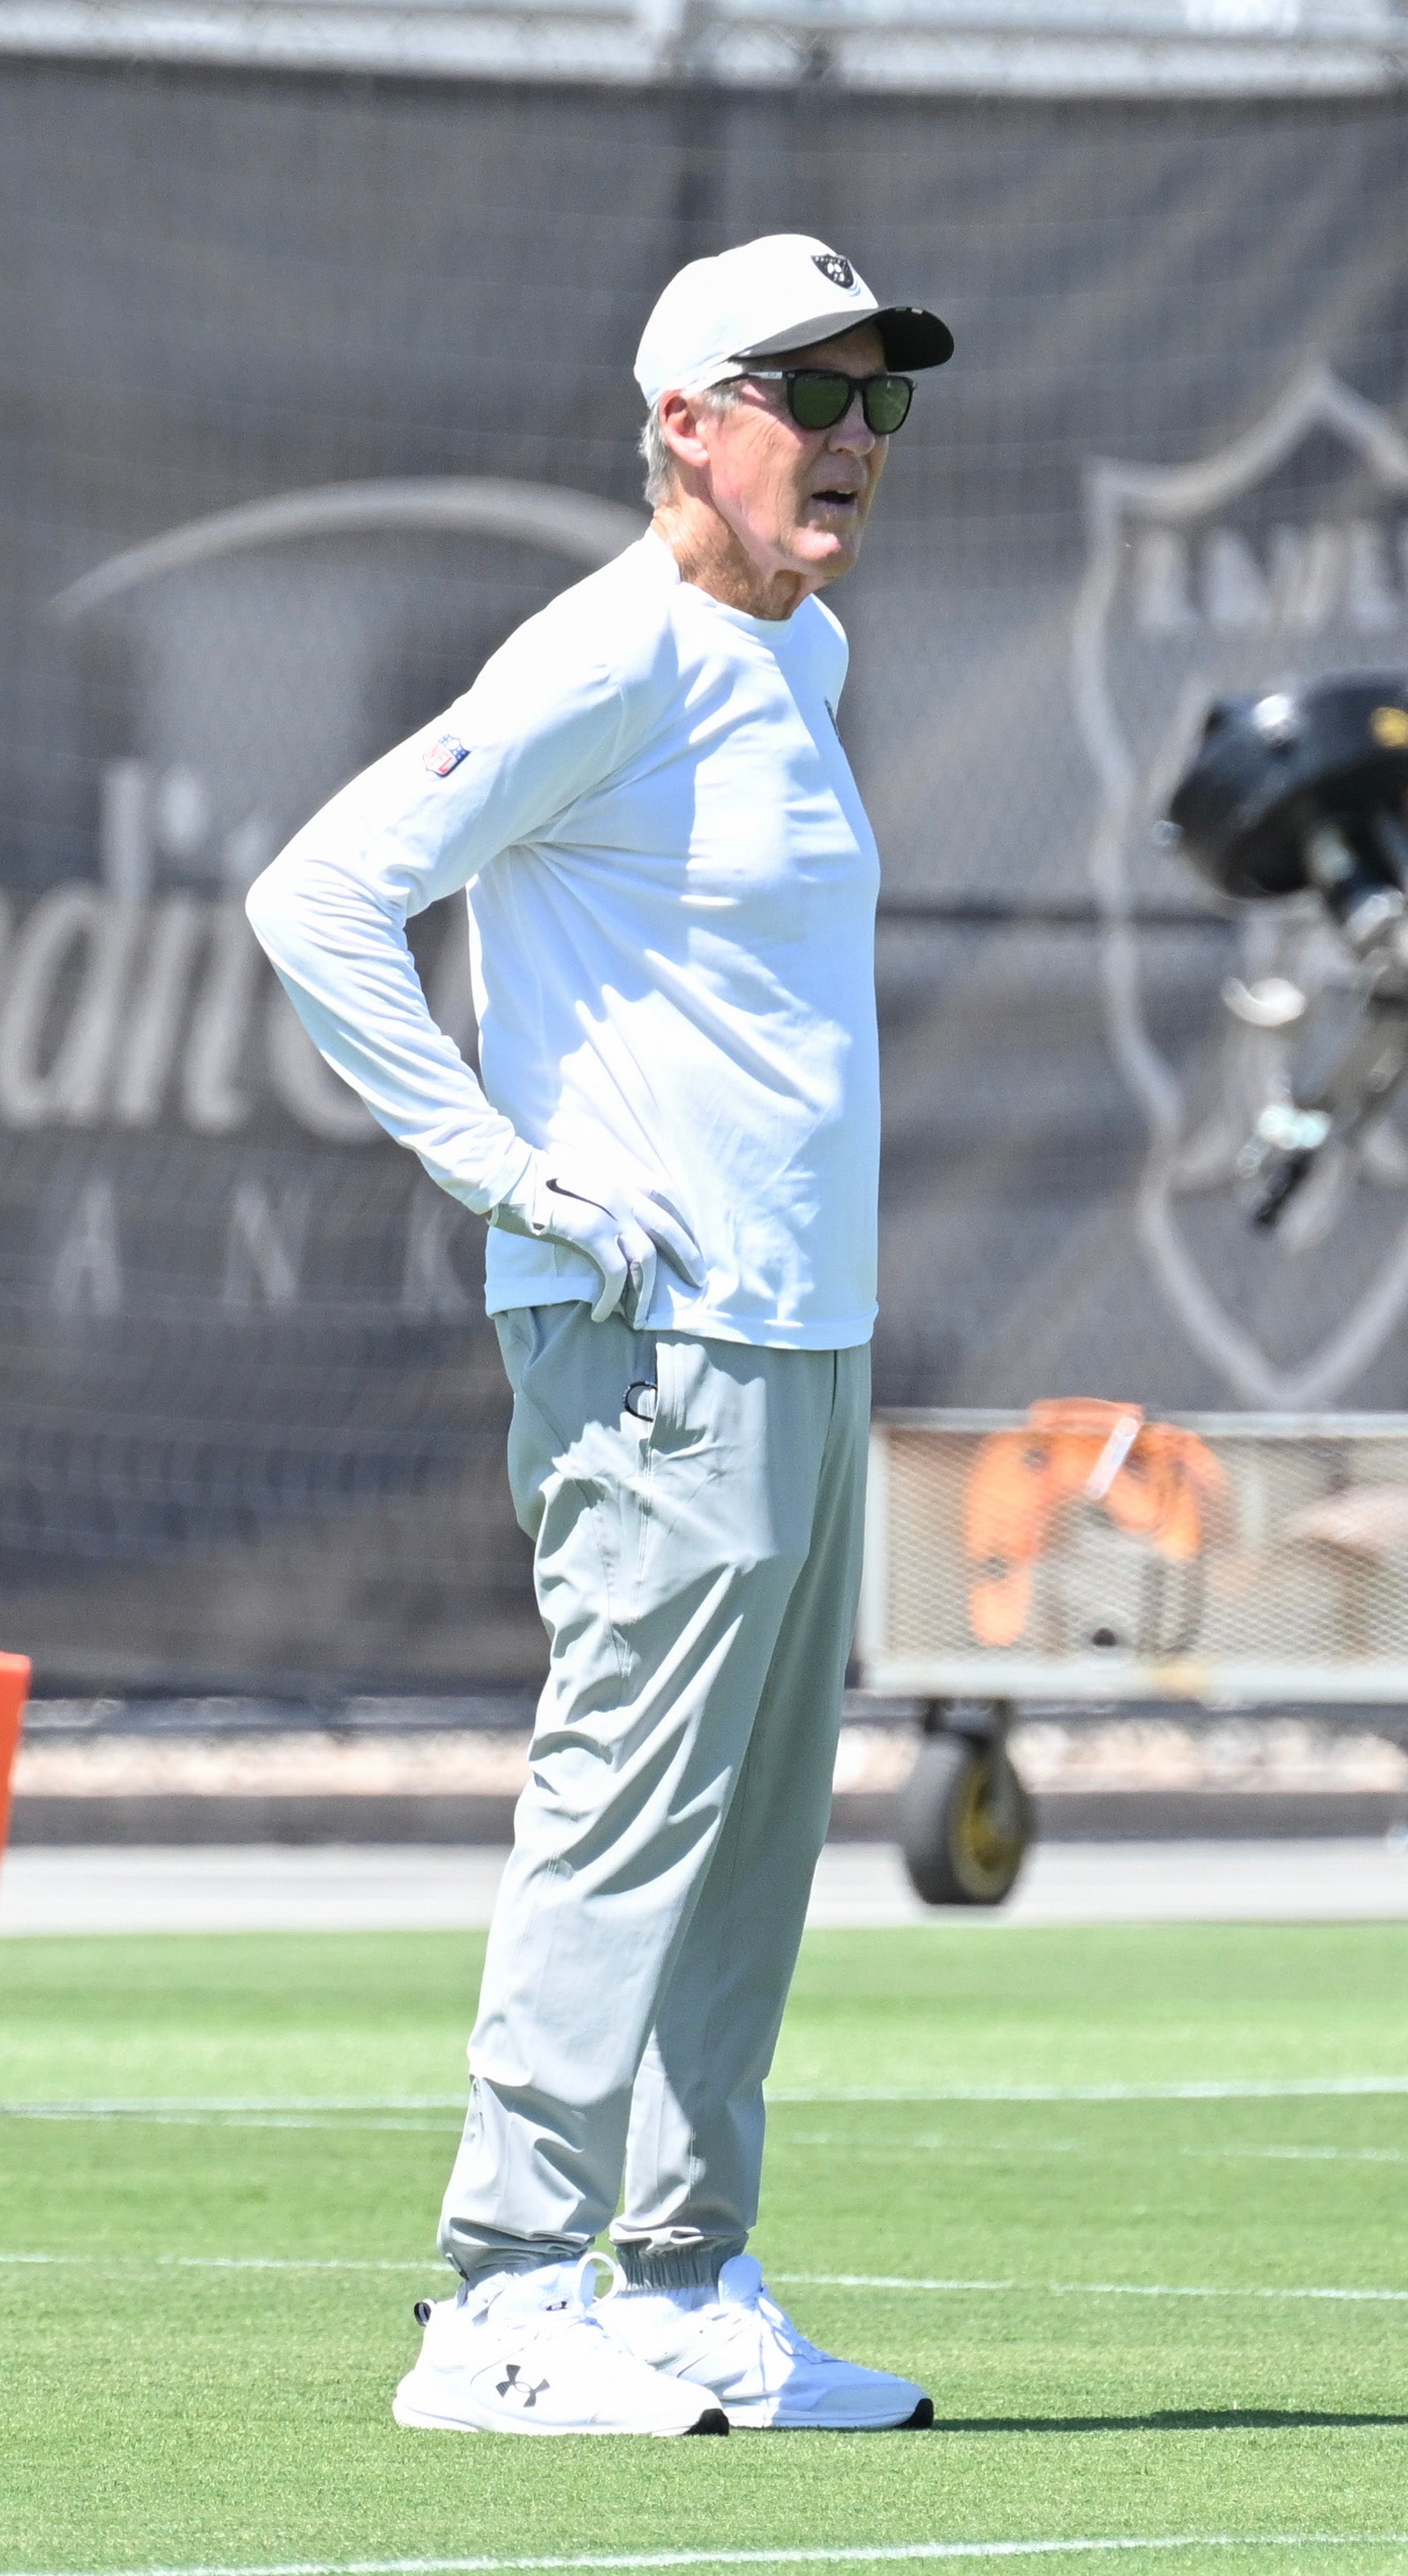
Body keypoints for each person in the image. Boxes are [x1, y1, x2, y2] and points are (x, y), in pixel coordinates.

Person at [245, 236, 951, 2437]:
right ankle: (500, 2292)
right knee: (629, 1799)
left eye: (878, 399)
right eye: (803, 393)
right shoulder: (605, 653)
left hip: (802, 1330)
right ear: (682, 421)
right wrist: (506, 1173)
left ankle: (676, 2273)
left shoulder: (804, 654)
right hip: (651, 1333)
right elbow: (322, 896)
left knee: (753, 1821)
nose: (847, 436)